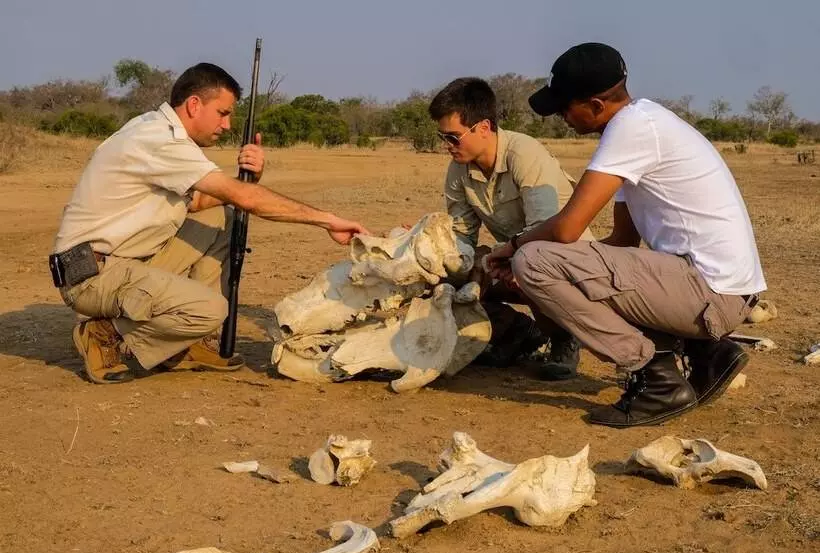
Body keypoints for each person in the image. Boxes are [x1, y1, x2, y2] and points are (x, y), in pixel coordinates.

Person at [486, 43, 766, 427]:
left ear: (598, 105)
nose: (563, 117)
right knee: (553, 266)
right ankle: (707, 354)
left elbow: (567, 228)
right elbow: (621, 242)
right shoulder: (644, 123)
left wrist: (515, 247)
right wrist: (567, 278)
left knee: (534, 261)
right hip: (717, 288)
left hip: (710, 294)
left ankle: (656, 376)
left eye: (566, 107)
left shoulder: (630, 130)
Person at [50, 62, 368, 384]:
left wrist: (250, 180)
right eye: (222, 113)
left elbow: (201, 203)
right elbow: (247, 199)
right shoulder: (159, 139)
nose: (227, 124)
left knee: (222, 217)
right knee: (211, 310)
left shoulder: (163, 132)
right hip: (92, 277)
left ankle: (186, 343)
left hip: (125, 261)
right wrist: (327, 220)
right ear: (194, 105)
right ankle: (103, 333)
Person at [427, 77, 595, 379]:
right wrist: (435, 249)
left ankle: (564, 340)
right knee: (444, 269)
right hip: (515, 255)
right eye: (443, 137)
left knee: (530, 263)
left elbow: (546, 231)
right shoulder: (459, 169)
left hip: (568, 264)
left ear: (483, 127)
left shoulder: (524, 154)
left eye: (453, 137)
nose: (447, 146)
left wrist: (505, 258)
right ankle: (518, 333)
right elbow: (462, 235)